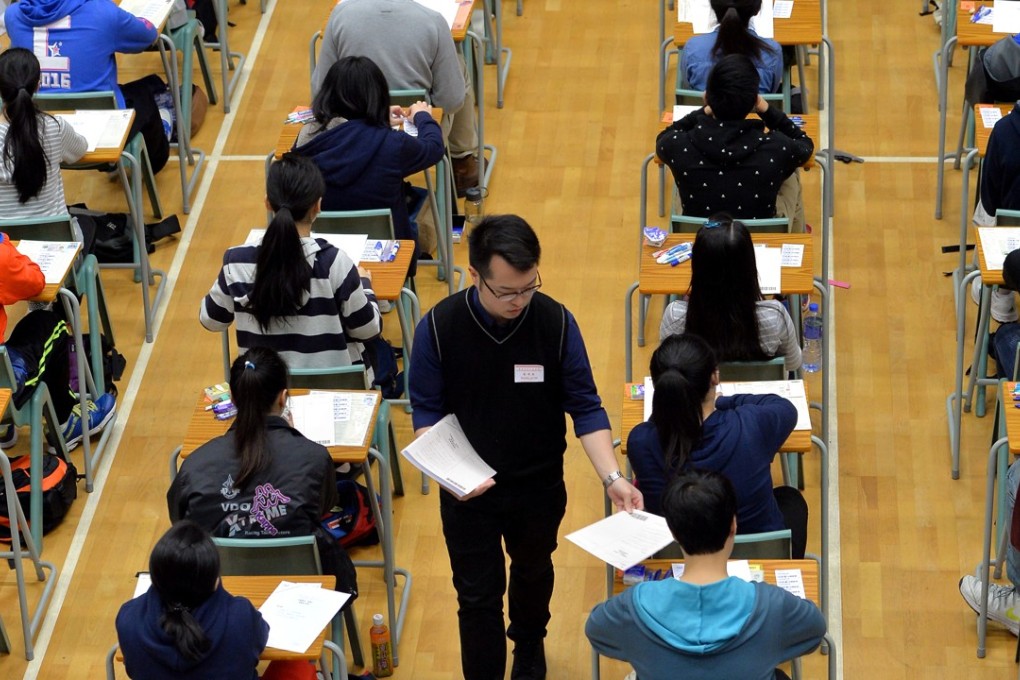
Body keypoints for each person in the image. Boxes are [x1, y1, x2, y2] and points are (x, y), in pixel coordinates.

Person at [409, 214, 643, 680]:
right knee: (476, 597)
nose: (520, 300)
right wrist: (453, 475)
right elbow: (426, 416)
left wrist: (612, 478)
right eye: (507, 291)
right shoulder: (439, 327)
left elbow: (586, 407)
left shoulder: (555, 323)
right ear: (474, 275)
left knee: (534, 570)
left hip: (537, 485)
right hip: (467, 493)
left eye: (529, 286)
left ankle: (530, 646)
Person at [586, 469, 826, 680]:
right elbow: (815, 630)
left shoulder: (635, 605)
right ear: (733, 525)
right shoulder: (773, 606)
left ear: (673, 531)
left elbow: (596, 631)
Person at [167, 347, 357, 598]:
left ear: (233, 399)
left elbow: (180, 519)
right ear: (283, 398)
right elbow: (322, 507)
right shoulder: (313, 457)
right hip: (302, 594)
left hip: (215, 595)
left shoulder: (195, 464)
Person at [626, 333, 808, 558]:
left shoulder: (640, 442)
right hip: (759, 556)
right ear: (715, 376)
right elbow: (785, 408)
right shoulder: (750, 424)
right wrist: (723, 401)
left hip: (679, 558)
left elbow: (662, 425)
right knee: (791, 500)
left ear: (660, 386)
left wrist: (671, 406)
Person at [199, 153, 382, 373]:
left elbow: (211, 320)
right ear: (317, 206)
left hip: (263, 395)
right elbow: (368, 329)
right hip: (331, 393)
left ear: (268, 203)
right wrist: (365, 286)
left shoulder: (235, 262)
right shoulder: (334, 263)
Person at [310, 0, 482, 196]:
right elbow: (451, 101)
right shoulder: (433, 20)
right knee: (457, 67)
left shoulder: (340, 14)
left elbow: (320, 91)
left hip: (351, 135)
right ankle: (462, 163)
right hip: (415, 135)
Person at [294, 56, 445, 273]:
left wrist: (375, 120)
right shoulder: (392, 144)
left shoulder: (306, 138)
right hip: (390, 260)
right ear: (378, 95)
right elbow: (433, 148)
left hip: (321, 259)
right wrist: (422, 117)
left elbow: (344, 135)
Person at [5, 0, 171, 174]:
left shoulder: (13, 16)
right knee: (143, 94)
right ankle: (154, 159)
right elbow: (148, 35)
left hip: (33, 136)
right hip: (103, 138)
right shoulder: (103, 12)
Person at [657, 54, 814, 232]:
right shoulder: (778, 147)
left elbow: (664, 136)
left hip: (702, 237)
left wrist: (703, 111)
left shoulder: (679, 146)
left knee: (679, 187)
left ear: (707, 97)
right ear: (754, 102)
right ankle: (796, 241)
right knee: (793, 176)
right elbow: (805, 144)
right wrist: (766, 109)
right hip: (758, 238)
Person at [0, 233, 115, 450]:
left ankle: (4, 429)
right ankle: (65, 424)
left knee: (28, 329)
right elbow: (35, 282)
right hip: (3, 389)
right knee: (50, 325)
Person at [115, 520, 270, 680]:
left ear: (156, 577)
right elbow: (261, 638)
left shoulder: (129, 618)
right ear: (214, 580)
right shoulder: (241, 616)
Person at [659, 214, 802, 371]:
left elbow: (667, 369)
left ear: (698, 269)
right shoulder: (774, 316)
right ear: (749, 268)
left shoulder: (675, 316)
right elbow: (793, 364)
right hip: (759, 394)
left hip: (700, 395)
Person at [0, 48, 87, 221]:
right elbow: (80, 150)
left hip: (4, 244)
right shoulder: (55, 127)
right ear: (38, 84)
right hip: (55, 243)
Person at [681, 0, 783, 94]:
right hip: (755, 114)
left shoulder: (692, 48)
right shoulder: (772, 52)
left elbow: (688, 87)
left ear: (712, 6)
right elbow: (772, 91)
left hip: (704, 112)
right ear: (757, 10)